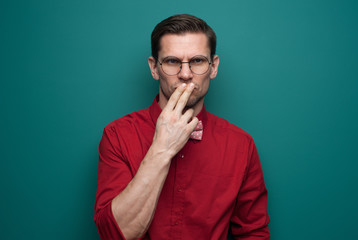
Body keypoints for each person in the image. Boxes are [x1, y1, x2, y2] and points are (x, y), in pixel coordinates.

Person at [94, 14, 270, 240]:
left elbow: (253, 233)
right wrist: (161, 150)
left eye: (197, 61)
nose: (185, 74)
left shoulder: (241, 145)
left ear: (213, 67)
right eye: (172, 61)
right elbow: (115, 235)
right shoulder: (117, 135)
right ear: (154, 68)